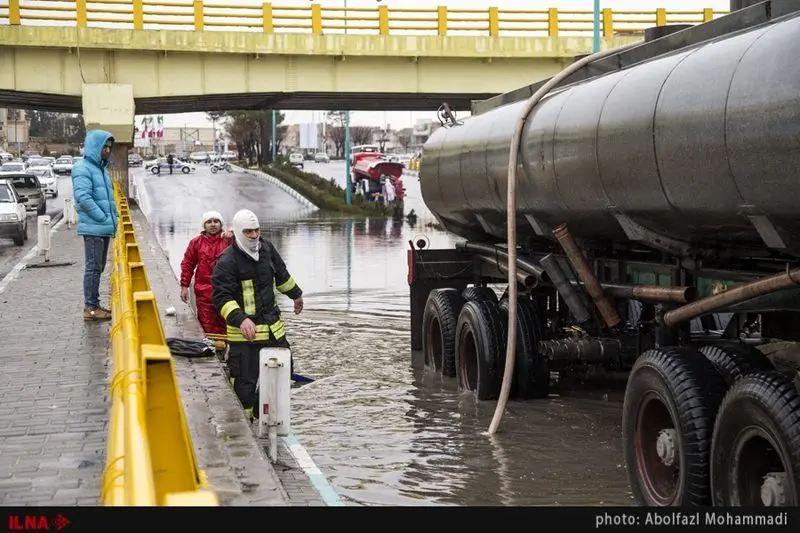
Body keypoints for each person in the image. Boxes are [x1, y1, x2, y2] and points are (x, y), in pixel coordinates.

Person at [212, 209, 304, 421]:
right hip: (245, 339)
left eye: (257, 230)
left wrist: (296, 295)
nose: (254, 235)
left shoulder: (267, 250)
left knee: (284, 373)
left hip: (272, 329)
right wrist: (241, 318)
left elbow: (282, 276)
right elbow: (221, 298)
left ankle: (263, 415)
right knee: (244, 387)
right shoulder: (227, 261)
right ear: (237, 232)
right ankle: (245, 430)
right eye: (249, 231)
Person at [72, 129, 118, 321]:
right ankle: (90, 308)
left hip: (102, 227)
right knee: (93, 267)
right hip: (95, 227)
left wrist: (111, 216)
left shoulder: (101, 169)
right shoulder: (82, 167)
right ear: (94, 147)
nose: (107, 150)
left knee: (97, 267)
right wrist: (102, 217)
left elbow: (107, 197)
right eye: (104, 147)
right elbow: (83, 198)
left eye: (109, 147)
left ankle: (94, 305)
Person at [180, 211, 232, 350]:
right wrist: (184, 285)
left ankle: (227, 350)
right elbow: (188, 264)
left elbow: (250, 240)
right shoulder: (196, 242)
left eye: (216, 221)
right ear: (204, 225)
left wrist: (234, 233)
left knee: (227, 322)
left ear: (221, 224)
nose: (213, 224)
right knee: (206, 323)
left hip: (226, 290)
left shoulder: (229, 240)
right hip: (204, 291)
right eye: (209, 222)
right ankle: (211, 350)